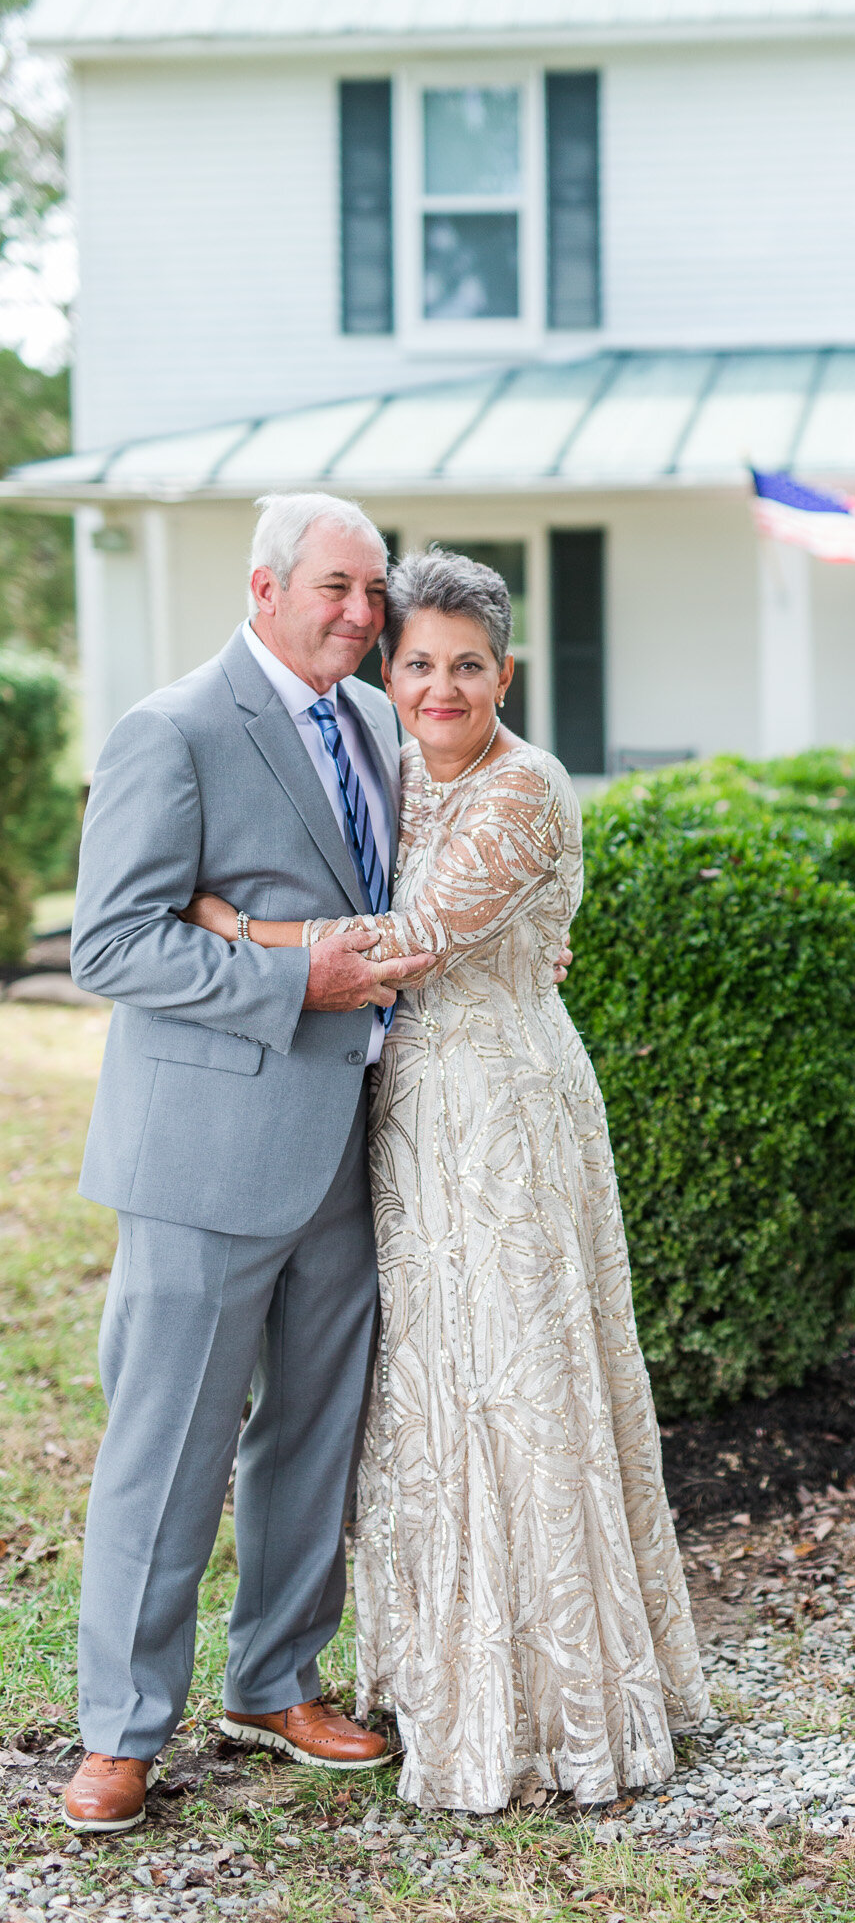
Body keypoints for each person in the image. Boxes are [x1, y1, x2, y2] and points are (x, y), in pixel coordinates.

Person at [182, 550, 708, 1811]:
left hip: (507, 1119)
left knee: (520, 1388)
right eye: (416, 662)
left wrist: (231, 926)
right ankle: (436, 1677)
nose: (439, 685)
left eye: (466, 664)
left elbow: (402, 942)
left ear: (504, 671)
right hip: (407, 1119)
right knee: (427, 1398)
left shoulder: (526, 789)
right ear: (388, 669)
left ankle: (550, 1702)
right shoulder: (391, 767)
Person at [63, 493, 449, 1835]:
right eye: (335, 587)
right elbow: (108, 945)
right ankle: (119, 1731)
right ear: (265, 584)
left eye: (372, 592)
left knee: (312, 1435)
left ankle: (277, 1678)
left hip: (344, 1145)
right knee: (167, 1449)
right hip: (207, 1153)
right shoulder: (170, 728)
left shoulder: (366, 724)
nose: (359, 612)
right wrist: (292, 975)